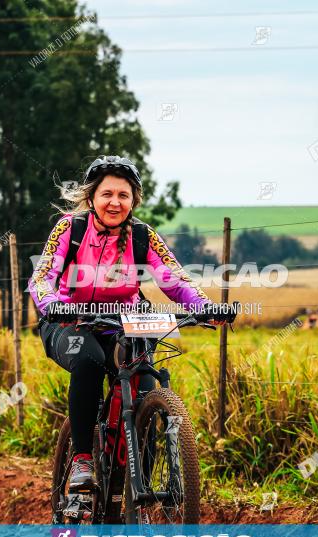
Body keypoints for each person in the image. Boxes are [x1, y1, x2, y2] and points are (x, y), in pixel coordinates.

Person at [28, 155, 230, 492]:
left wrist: (206, 307)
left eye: (123, 195)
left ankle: (140, 494)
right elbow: (42, 277)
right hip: (69, 321)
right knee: (89, 360)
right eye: (107, 194)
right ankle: (82, 459)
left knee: (145, 386)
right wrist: (54, 306)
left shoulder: (142, 236)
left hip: (124, 323)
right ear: (91, 197)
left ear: (133, 200)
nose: (115, 202)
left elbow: (176, 280)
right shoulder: (70, 229)